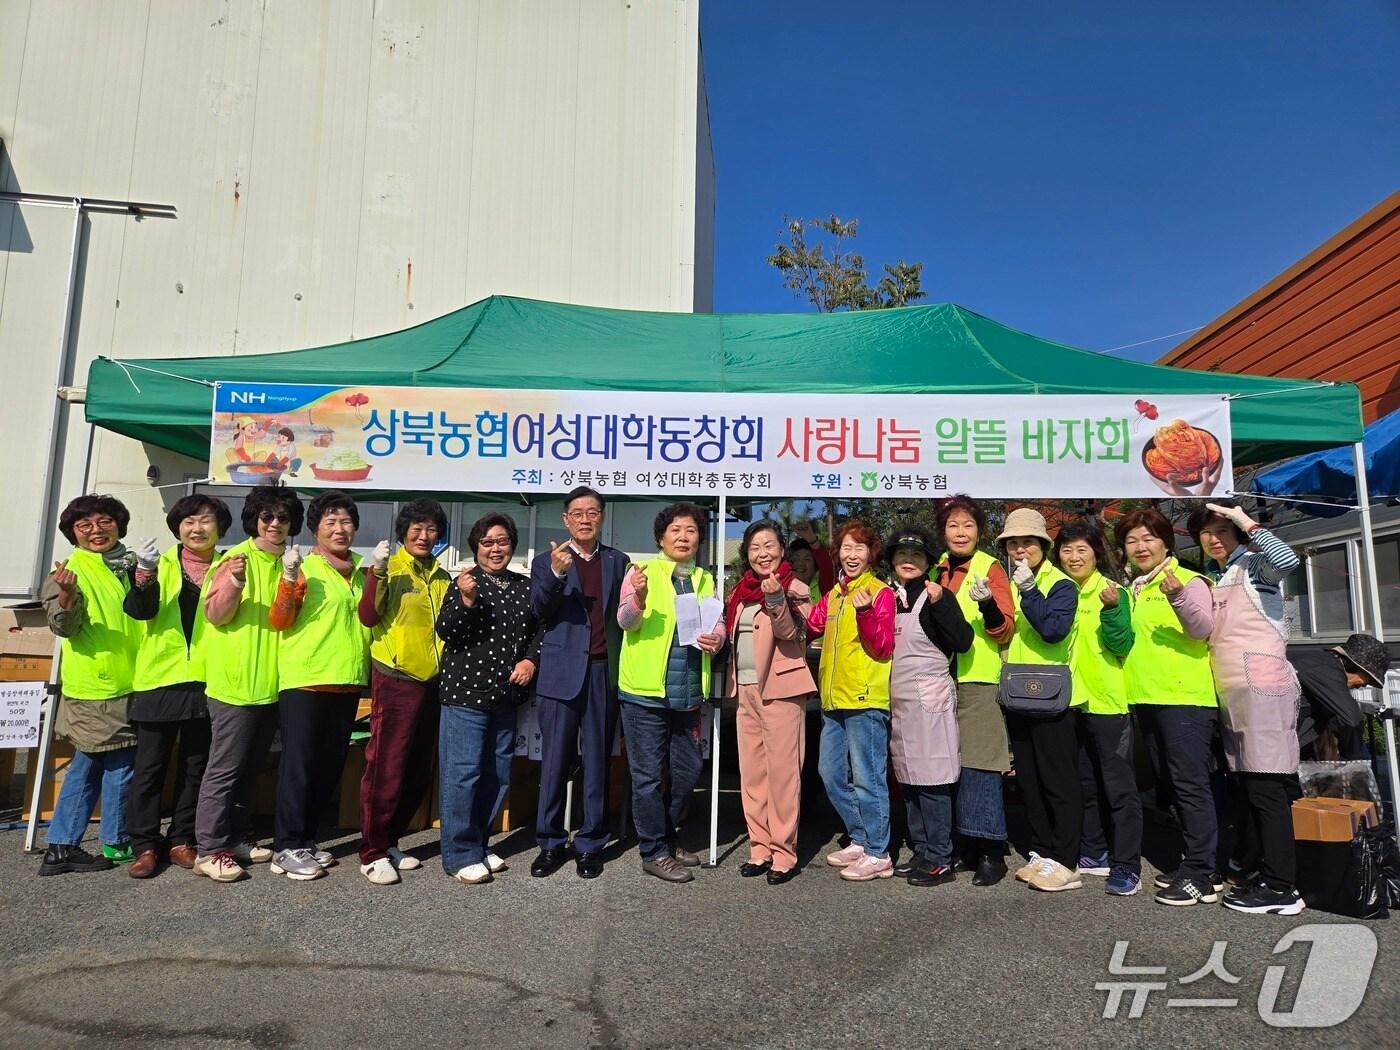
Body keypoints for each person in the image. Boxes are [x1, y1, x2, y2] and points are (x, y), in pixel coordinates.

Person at [1189, 500, 1306, 915]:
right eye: (1206, 532)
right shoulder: (1219, 577)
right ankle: (1260, 870)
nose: (1213, 539)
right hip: (1234, 693)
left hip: (1263, 690)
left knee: (1268, 788)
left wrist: (1244, 519)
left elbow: (1287, 559)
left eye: (1222, 530)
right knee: (1251, 789)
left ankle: (1282, 887)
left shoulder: (1255, 565)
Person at [197, 485, 304, 882]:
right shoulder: (234, 559)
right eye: (267, 516)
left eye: (283, 517)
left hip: (273, 683)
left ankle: (237, 838)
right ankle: (209, 849)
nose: (275, 523)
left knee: (250, 767)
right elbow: (216, 615)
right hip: (235, 683)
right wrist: (236, 582)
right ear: (254, 519)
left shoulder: (290, 563)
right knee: (224, 769)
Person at [121, 495, 231, 879]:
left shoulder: (230, 565)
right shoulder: (158, 564)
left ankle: (182, 838)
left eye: (206, 521)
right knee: (150, 767)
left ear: (220, 528)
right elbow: (140, 610)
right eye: (188, 521)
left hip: (209, 677)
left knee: (196, 766)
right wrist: (144, 574)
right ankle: (145, 846)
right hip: (159, 678)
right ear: (177, 527)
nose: (197, 528)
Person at [1115, 508, 1220, 907]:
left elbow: (1201, 630)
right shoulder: (1136, 587)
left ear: (1166, 543)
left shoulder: (1189, 581)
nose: (1141, 547)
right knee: (1172, 785)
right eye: (1131, 540)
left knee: (1190, 785)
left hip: (1185, 699)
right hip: (1149, 696)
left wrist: (1176, 595)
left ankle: (1202, 873)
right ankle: (1192, 861)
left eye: (1148, 538)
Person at [617, 502, 725, 883]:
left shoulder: (705, 578)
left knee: (687, 770)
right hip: (645, 690)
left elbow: (718, 622)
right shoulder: (641, 572)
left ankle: (666, 835)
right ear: (661, 537)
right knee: (647, 776)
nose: (683, 536)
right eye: (676, 530)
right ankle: (654, 851)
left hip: (689, 692)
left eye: (691, 530)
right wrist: (640, 598)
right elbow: (626, 622)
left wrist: (718, 639)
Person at [266, 490, 370, 881]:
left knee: (328, 766)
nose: (340, 529)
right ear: (316, 529)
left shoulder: (363, 568)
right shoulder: (303, 566)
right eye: (331, 522)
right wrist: (290, 580)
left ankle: (306, 840)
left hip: (347, 680)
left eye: (345, 522)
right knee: (300, 766)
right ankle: (286, 845)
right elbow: (279, 620)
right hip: (306, 680)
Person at [37, 495, 142, 876]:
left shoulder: (128, 564)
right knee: (95, 764)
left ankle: (110, 839)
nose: (96, 531)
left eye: (104, 522)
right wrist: (66, 594)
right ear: (73, 534)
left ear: (119, 523)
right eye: (85, 526)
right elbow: (62, 626)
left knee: (119, 762)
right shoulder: (70, 571)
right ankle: (65, 844)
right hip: (97, 686)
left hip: (132, 678)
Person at [529, 486, 629, 880]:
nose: (585, 519)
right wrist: (556, 574)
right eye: (577, 513)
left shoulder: (617, 562)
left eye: (593, 512)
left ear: (601, 518)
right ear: (565, 520)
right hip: (559, 673)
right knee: (554, 762)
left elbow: (628, 614)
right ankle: (550, 843)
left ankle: (590, 843)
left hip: (603, 672)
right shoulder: (545, 561)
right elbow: (539, 609)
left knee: (597, 763)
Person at [435, 513, 541, 885]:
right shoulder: (465, 582)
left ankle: (478, 843)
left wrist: (530, 659)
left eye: (502, 541)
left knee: (498, 773)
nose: (496, 549)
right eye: (487, 542)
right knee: (463, 774)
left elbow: (538, 630)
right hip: (465, 693)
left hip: (506, 695)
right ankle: (459, 853)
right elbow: (446, 629)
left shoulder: (523, 586)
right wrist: (465, 599)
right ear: (476, 547)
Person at [356, 498, 452, 885]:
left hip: (432, 682)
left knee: (417, 768)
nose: (424, 535)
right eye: (417, 528)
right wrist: (378, 572)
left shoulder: (442, 576)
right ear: (403, 532)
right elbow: (368, 615)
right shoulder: (389, 569)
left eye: (431, 529)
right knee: (386, 766)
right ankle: (372, 850)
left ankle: (391, 839)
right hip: (395, 677)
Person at [725, 519, 816, 886]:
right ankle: (759, 848)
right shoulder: (740, 593)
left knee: (783, 776)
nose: (762, 553)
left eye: (769, 546)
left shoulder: (795, 588)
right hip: (745, 689)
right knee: (753, 775)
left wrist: (776, 598)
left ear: (781, 549)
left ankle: (783, 852)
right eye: (754, 547)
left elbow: (791, 632)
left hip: (780, 692)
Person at [997, 508, 1083, 893]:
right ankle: (1043, 851)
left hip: (1052, 696)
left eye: (1027, 542)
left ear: (1043, 546)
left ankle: (1067, 860)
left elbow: (1052, 629)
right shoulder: (1006, 582)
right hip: (1016, 690)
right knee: (1028, 779)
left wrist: (1030, 590)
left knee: (1058, 780)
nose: (1020, 549)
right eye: (1012, 543)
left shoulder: (1061, 584)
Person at [1054, 520, 1141, 897]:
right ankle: (1095, 851)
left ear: (1096, 553)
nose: (1074, 557)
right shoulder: (1060, 591)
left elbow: (1122, 644)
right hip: (1071, 702)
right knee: (1085, 784)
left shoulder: (1112, 590)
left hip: (1108, 702)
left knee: (1118, 788)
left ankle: (1127, 865)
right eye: (1067, 550)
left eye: (1082, 550)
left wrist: (1110, 610)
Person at [932, 494, 1016, 885]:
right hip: (940, 680)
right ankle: (966, 843)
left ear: (980, 531)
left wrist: (989, 608)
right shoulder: (937, 570)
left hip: (978, 677)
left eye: (967, 525)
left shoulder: (989, 566)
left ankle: (991, 851)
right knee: (952, 765)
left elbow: (1004, 628)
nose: (960, 532)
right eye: (952, 525)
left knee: (981, 764)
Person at [810, 520, 896, 882]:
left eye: (859, 548)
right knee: (829, 774)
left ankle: (879, 852)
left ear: (871, 553)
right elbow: (813, 624)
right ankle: (860, 837)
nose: (852, 554)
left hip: (865, 698)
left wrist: (863, 612)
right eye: (846, 548)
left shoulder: (880, 593)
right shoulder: (835, 594)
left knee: (868, 778)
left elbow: (882, 646)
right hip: (833, 698)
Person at [886, 526, 972, 888]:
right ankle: (921, 847)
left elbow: (963, 641)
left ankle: (940, 855)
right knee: (908, 778)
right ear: (892, 561)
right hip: (900, 701)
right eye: (903, 556)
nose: (909, 561)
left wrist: (942, 605)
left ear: (929, 563)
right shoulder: (891, 599)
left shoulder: (938, 596)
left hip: (930, 698)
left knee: (933, 779)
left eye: (917, 556)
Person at [1291, 633, 1391, 761]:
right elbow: (1351, 720)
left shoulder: (1318, 660)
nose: (1364, 685)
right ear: (1356, 666)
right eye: (1369, 679)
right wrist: (1353, 761)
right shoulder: (1327, 669)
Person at [789, 520, 836, 601]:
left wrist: (811, 539)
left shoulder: (822, 589)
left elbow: (826, 564)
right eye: (796, 558)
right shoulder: (780, 588)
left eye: (807, 559)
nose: (800, 563)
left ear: (815, 567)